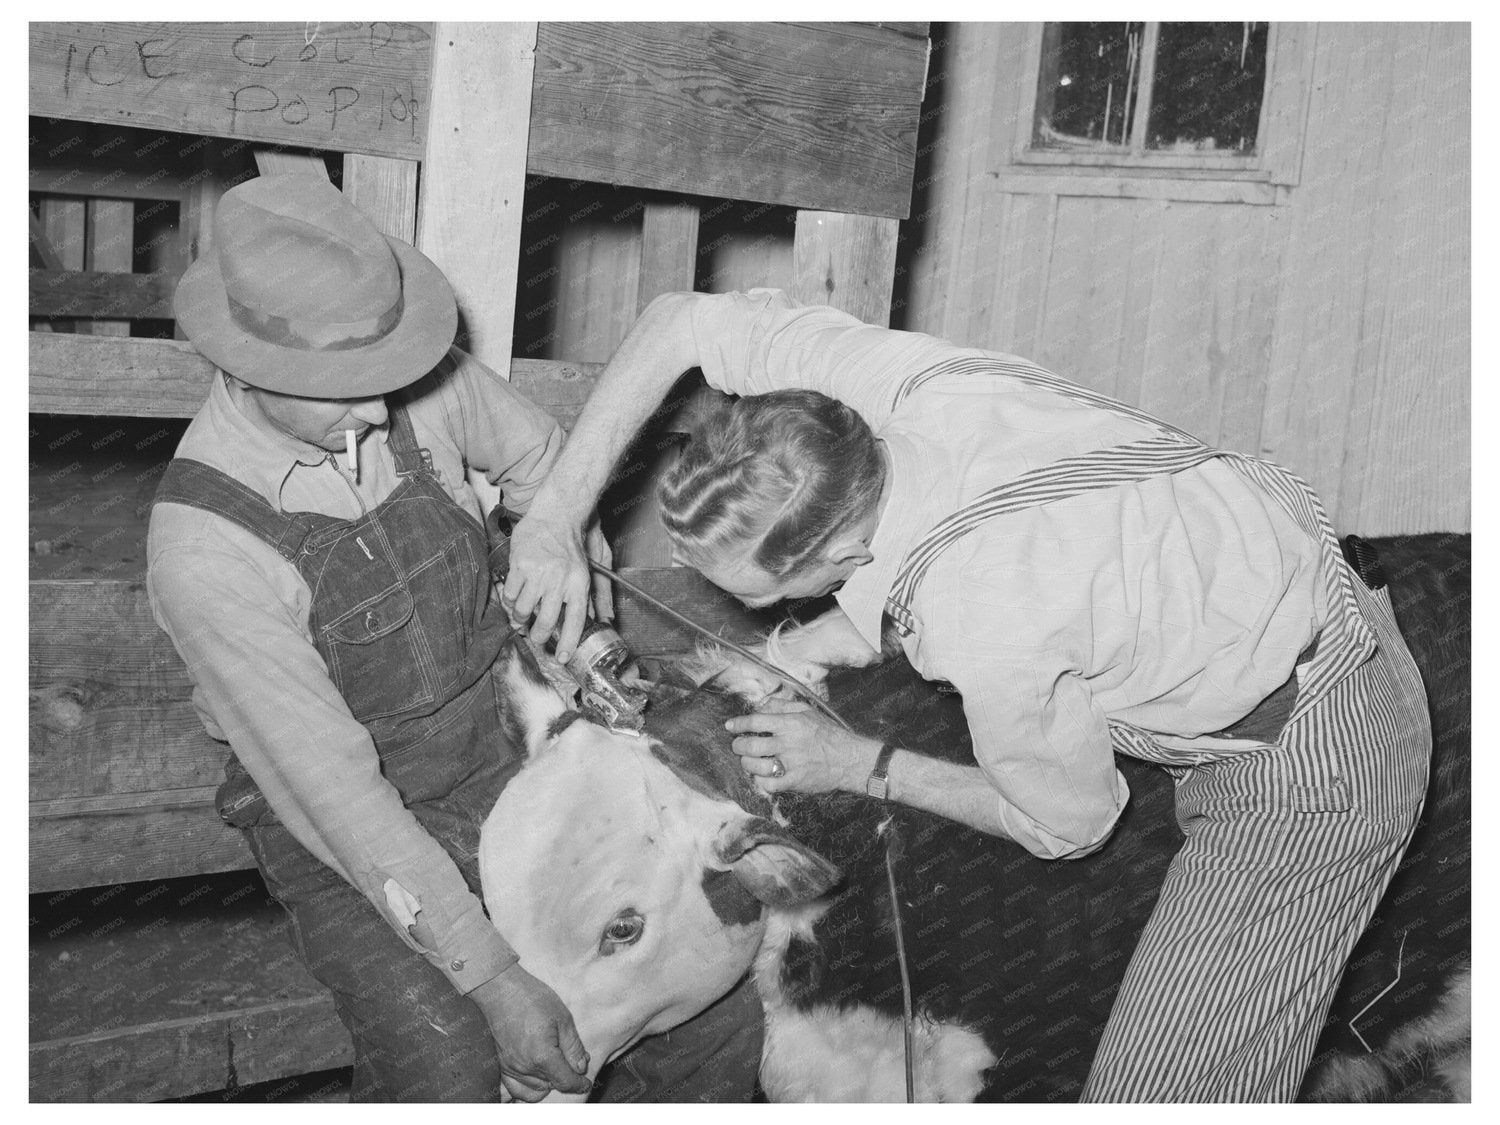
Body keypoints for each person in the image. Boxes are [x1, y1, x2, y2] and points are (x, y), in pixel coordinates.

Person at [503, 287, 1432, 1101]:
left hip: (1314, 751)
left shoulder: (988, 618)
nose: (727, 605)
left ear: (838, 558)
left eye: (751, 594)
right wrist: (553, 516)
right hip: (1259, 592)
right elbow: (681, 321)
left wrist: (858, 762)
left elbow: (1070, 822)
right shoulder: (902, 392)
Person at [147, 176, 761, 1103]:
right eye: (341, 392)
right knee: (453, 1062)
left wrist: (559, 560)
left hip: (505, 732)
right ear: (245, 367)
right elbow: (339, 799)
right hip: (348, 816)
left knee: (712, 1012)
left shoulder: (404, 380)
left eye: (387, 376)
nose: (377, 409)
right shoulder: (204, 549)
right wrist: (492, 977)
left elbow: (543, 462)